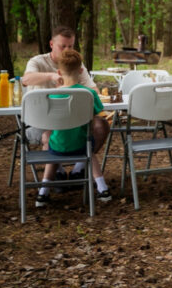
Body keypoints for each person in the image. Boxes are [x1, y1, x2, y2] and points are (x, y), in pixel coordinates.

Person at [22, 26, 108, 177]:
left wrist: (71, 86)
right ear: (51, 44)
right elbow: (26, 79)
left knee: (102, 126)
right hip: (41, 121)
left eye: (70, 46)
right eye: (63, 46)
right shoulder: (38, 61)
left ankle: (79, 169)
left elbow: (94, 91)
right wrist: (51, 76)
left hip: (74, 121)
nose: (67, 50)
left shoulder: (76, 64)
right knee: (49, 134)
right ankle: (57, 174)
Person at [35, 49, 113, 207]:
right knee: (90, 153)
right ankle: (103, 189)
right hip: (81, 146)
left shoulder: (51, 95)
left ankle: (42, 194)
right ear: (81, 70)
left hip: (57, 146)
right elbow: (100, 115)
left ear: (58, 72)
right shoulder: (89, 93)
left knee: (52, 148)